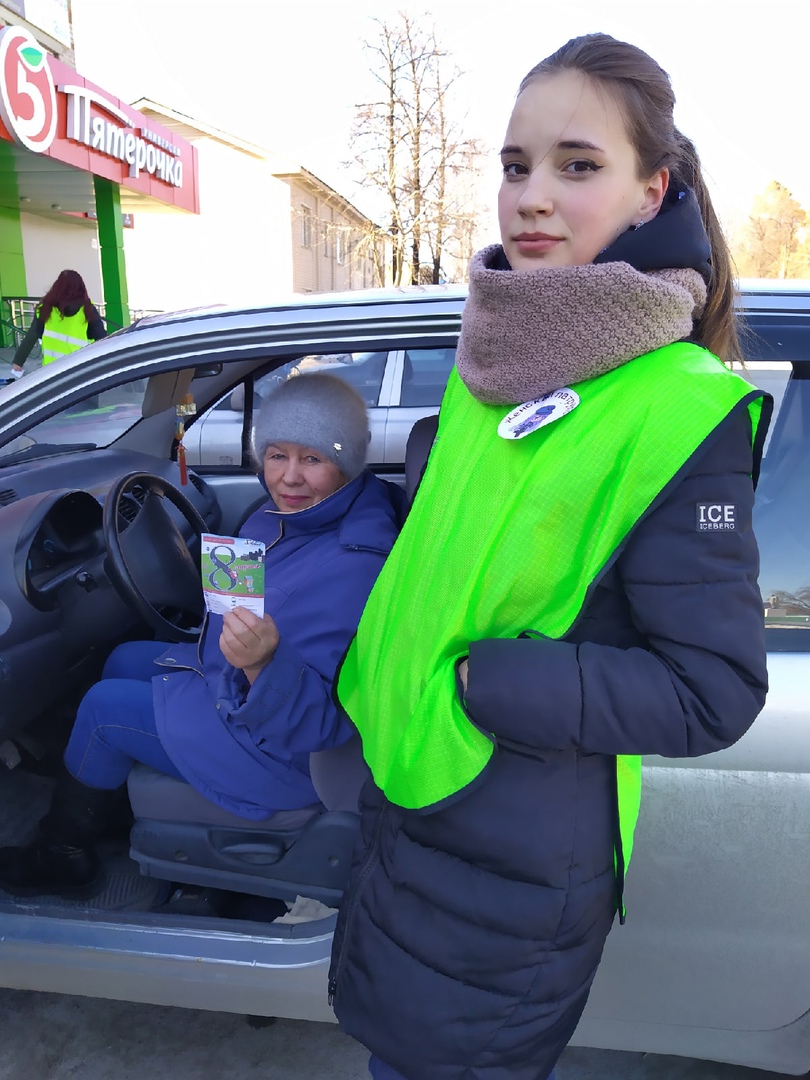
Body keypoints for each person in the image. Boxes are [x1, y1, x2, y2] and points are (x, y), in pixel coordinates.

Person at [328, 34, 771, 1080]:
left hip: (513, 852)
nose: (531, 197)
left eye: (578, 165)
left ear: (651, 191)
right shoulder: (492, 364)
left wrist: (482, 685)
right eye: (516, 164)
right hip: (418, 797)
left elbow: (712, 689)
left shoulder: (680, 407)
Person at [0, 373, 404, 898]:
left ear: (347, 461)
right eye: (276, 455)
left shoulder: (351, 568)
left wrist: (263, 665)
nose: (288, 477)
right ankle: (105, 792)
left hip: (279, 753)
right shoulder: (300, 516)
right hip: (236, 687)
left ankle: (63, 856)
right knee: (124, 657)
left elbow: (319, 725)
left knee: (104, 709)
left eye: (313, 458)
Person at [9, 269, 106, 378]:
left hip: (51, 371)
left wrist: (18, 361)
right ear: (81, 288)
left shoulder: (45, 309)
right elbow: (101, 337)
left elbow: (31, 337)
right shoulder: (87, 309)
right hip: (79, 369)